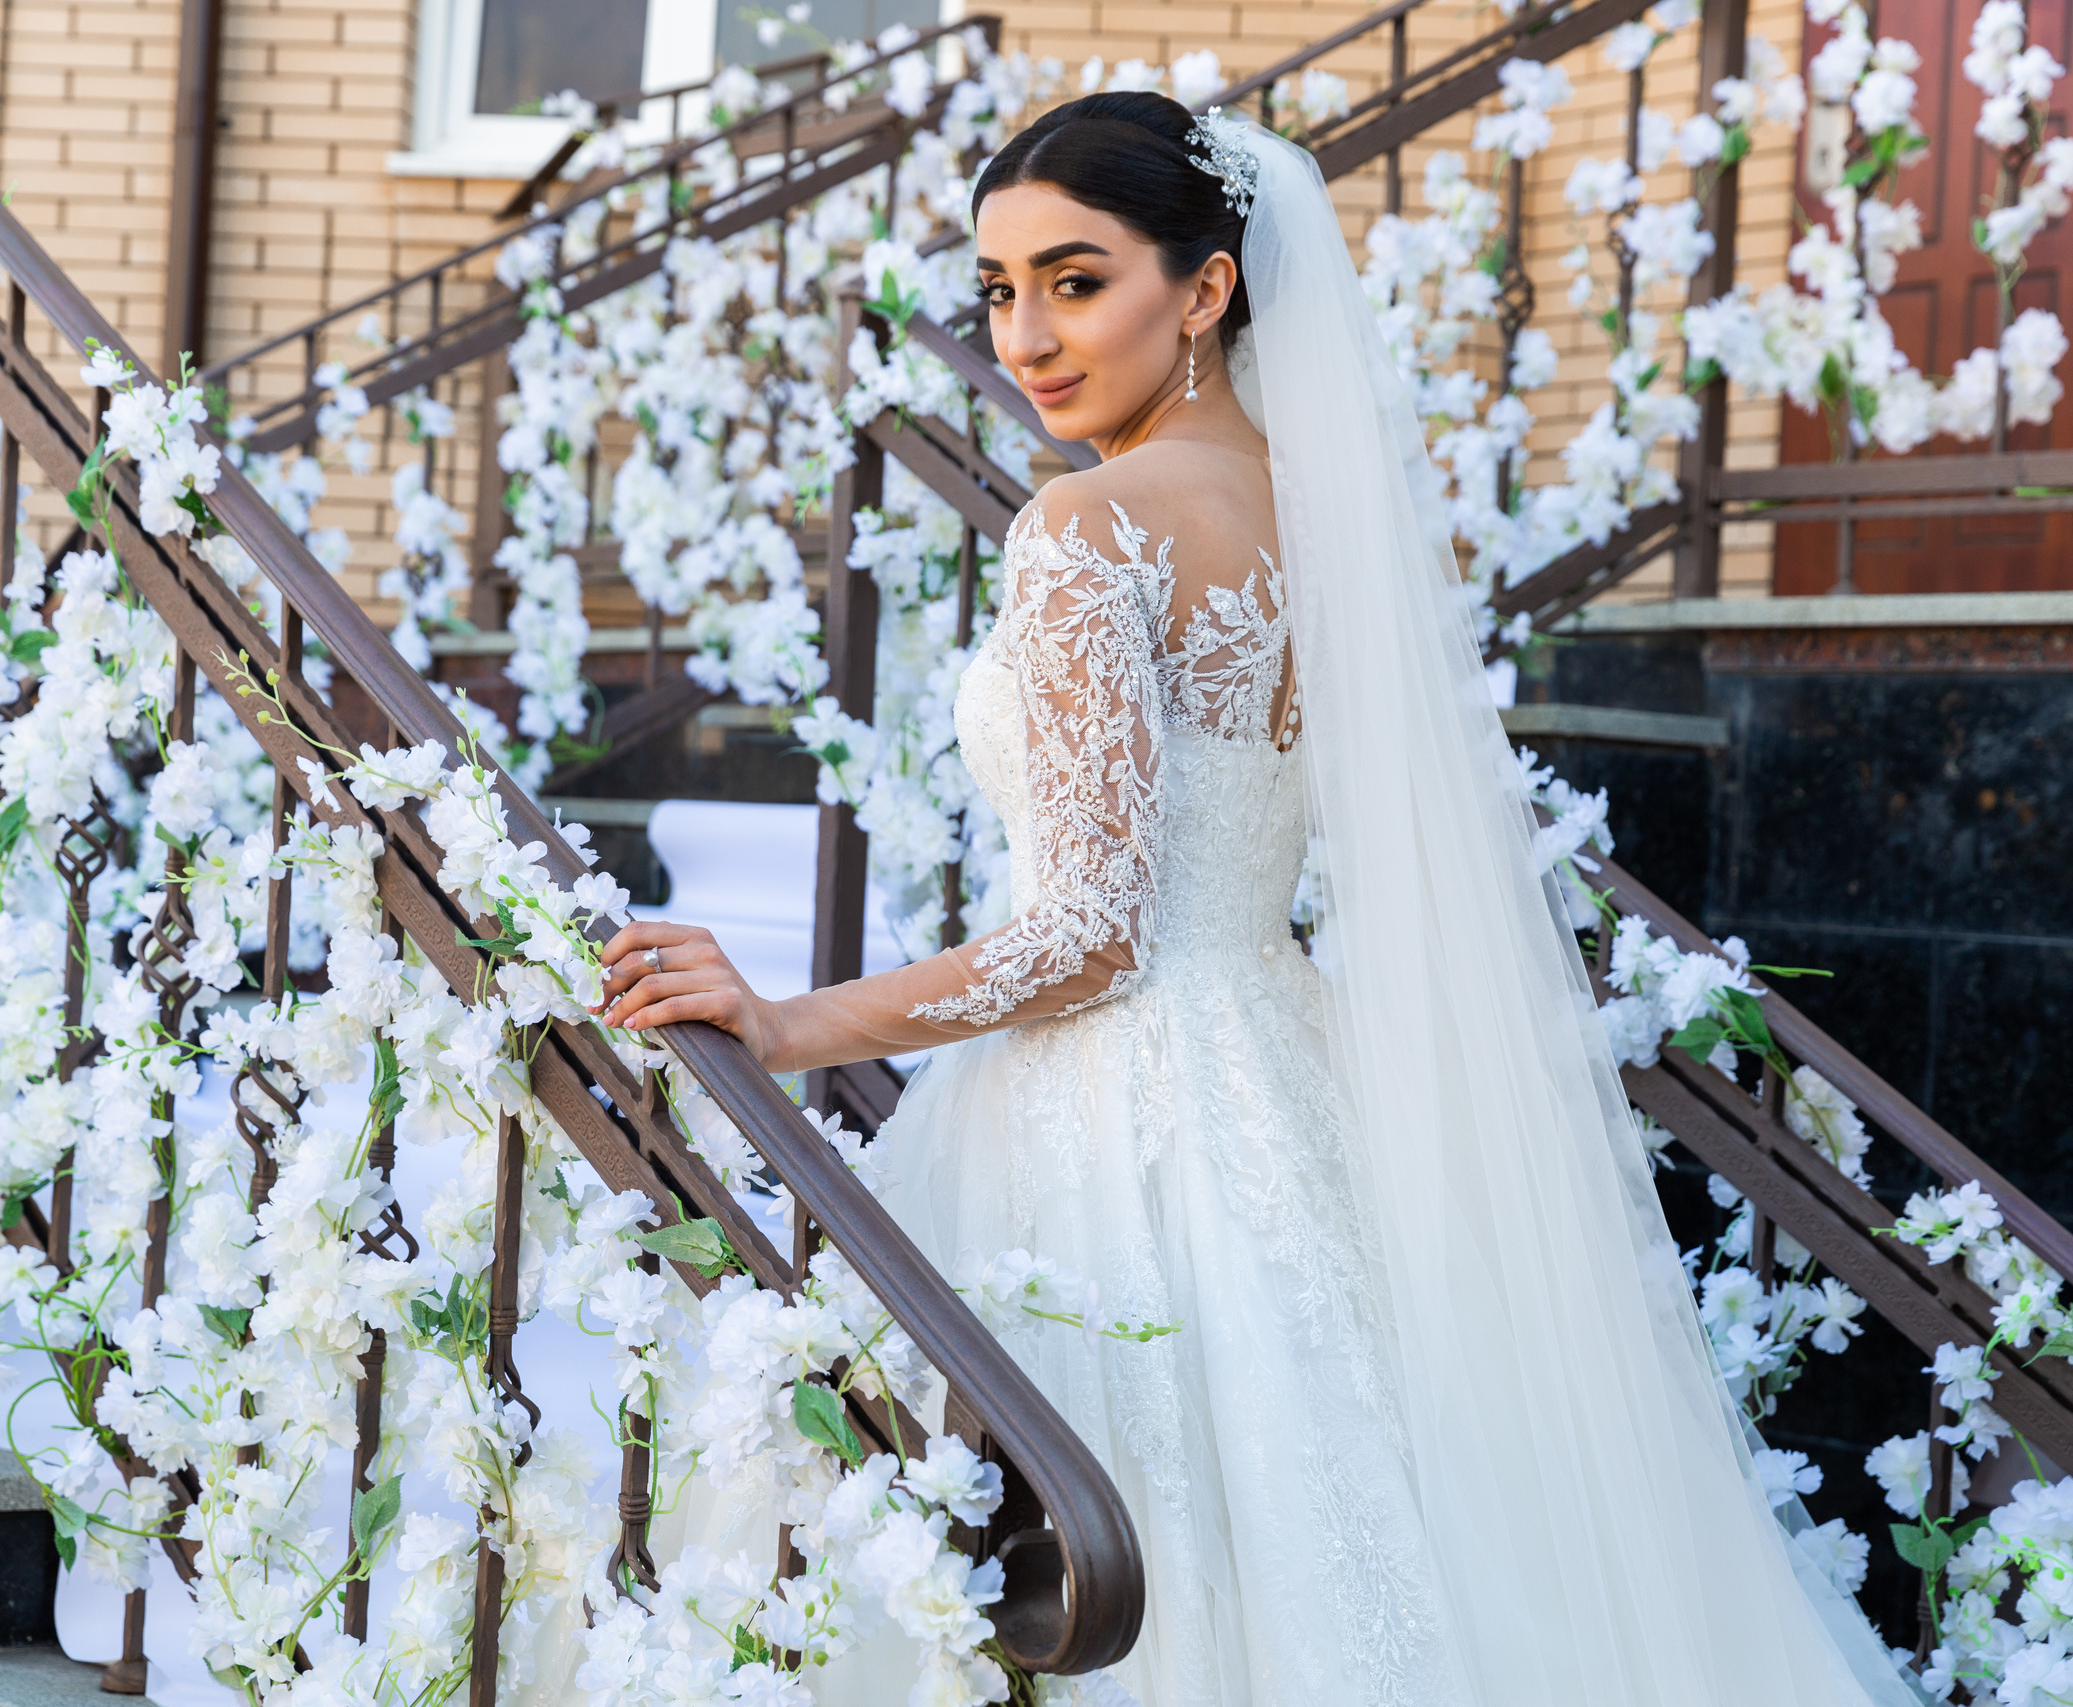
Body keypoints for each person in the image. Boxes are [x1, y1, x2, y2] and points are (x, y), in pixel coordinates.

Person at [589, 93, 1922, 1706]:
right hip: (1290, 1071)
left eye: (1078, 282)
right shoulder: (1324, 510)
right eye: (1000, 290)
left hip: (1116, 1119)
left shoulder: (1086, 525)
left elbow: (1092, 936)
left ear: (1206, 288)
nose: (1026, 337)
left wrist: (792, 1022)